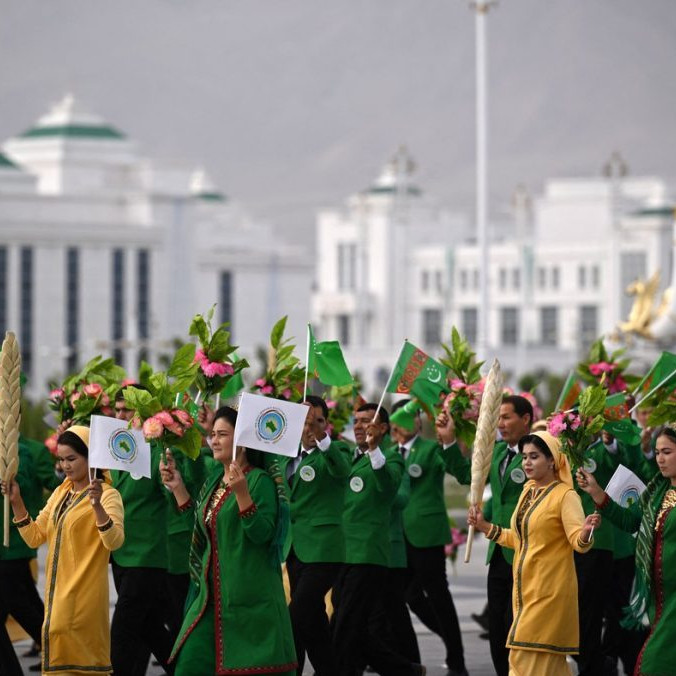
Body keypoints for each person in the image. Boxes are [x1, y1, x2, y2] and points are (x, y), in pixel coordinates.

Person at [161, 405, 297, 675]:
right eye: (212, 434)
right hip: (211, 600)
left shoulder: (260, 481)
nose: (213, 440)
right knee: (189, 666)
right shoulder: (215, 481)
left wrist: (243, 494)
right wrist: (177, 488)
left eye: (222, 434)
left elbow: (264, 535)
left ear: (242, 442)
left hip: (248, 601)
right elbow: (204, 530)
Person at [468, 431, 599, 676]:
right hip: (525, 591)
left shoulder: (565, 496)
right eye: (524, 456)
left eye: (534, 457)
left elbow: (578, 543)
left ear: (552, 460)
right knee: (548, 665)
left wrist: (587, 532)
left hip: (550, 592)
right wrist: (484, 526)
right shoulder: (527, 491)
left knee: (523, 657)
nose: (526, 462)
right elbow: (520, 539)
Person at [2, 425, 124, 674]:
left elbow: (114, 542)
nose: (65, 466)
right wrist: (17, 503)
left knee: (85, 666)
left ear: (91, 458)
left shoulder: (109, 496)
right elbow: (35, 537)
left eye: (72, 459)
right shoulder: (60, 493)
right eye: (61, 459)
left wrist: (97, 506)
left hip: (85, 598)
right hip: (56, 599)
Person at [441, 394, 533, 676]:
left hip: (528, 553)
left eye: (506, 417)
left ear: (526, 419)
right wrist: (447, 441)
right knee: (497, 632)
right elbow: (469, 475)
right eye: (498, 418)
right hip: (499, 552)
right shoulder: (498, 453)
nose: (500, 424)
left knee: (516, 626)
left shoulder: (540, 454)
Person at [331, 403, 425, 676]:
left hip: (368, 550)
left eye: (367, 421)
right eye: (356, 420)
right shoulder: (347, 456)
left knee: (347, 623)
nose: (360, 426)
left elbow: (387, 487)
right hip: (342, 549)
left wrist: (374, 451)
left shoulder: (391, 459)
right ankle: (405, 670)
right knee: (348, 623)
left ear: (383, 429)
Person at [576, 423, 676, 676]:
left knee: (653, 663)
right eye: (658, 452)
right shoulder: (658, 491)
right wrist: (596, 491)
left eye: (667, 452)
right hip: (661, 598)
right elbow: (631, 521)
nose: (660, 459)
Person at [392, 399, 467, 676]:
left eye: (412, 418)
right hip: (398, 538)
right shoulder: (388, 453)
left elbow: (456, 468)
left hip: (427, 534)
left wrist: (451, 442)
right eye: (401, 419)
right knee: (409, 596)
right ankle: (438, 647)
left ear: (419, 423)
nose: (407, 424)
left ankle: (457, 661)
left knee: (438, 597)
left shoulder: (431, 449)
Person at [280, 395, 350, 676]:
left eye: (317, 421)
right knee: (314, 623)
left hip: (325, 549)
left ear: (326, 424)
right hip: (294, 548)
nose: (309, 428)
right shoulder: (286, 456)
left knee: (295, 618)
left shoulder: (337, 450)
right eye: (304, 421)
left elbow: (343, 472)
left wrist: (324, 440)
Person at [110, 385, 175, 675]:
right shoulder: (114, 448)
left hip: (147, 556)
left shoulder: (156, 451)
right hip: (121, 552)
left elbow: (171, 494)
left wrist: (171, 474)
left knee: (122, 630)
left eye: (127, 410)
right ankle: (185, 669)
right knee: (150, 629)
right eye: (118, 409)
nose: (120, 415)